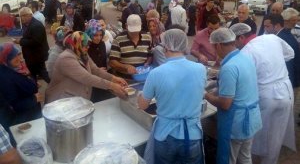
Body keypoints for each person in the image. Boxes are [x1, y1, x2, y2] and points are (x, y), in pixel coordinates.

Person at [230, 23, 296, 164]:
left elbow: (243, 81)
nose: (234, 46)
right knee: (276, 135)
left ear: (241, 38)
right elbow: (291, 53)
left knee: (257, 135)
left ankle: (254, 160)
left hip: (266, 95)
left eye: (234, 42)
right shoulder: (271, 37)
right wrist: (274, 64)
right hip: (286, 89)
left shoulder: (245, 52)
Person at [138, 29, 206, 164]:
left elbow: (143, 105)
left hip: (165, 135)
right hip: (192, 134)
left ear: (167, 47)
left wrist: (140, 95)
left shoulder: (156, 73)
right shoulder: (200, 69)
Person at [205, 27, 262, 164]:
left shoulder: (229, 67)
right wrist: (216, 86)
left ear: (218, 45)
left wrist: (206, 95)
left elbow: (225, 103)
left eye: (213, 47)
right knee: (245, 156)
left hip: (235, 123)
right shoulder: (244, 57)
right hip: (251, 119)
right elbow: (240, 85)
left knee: (227, 159)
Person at [45, 31, 128, 103]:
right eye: (85, 45)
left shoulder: (82, 54)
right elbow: (87, 78)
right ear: (76, 44)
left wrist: (114, 78)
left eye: (88, 44)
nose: (88, 47)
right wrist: (112, 86)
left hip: (76, 100)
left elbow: (95, 70)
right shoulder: (66, 58)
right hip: (62, 101)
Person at [0, 43, 43, 125]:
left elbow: (24, 80)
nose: (20, 59)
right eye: (14, 56)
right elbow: (13, 105)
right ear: (6, 59)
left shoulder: (16, 68)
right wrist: (34, 99)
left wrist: (33, 83)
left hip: (32, 112)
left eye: (19, 54)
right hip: (25, 120)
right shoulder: (5, 78)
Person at [13, 7, 50, 84]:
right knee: (33, 74)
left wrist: (20, 41)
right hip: (31, 56)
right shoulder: (27, 24)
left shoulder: (36, 25)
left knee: (42, 73)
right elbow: (29, 37)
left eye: (23, 16)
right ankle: (34, 89)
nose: (21, 18)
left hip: (37, 55)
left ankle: (53, 85)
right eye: (20, 16)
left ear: (29, 15)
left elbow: (36, 41)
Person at [264, 14, 300, 88]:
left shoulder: (281, 40)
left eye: (267, 26)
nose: (265, 29)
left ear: (276, 26)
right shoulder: (283, 35)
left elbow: (288, 65)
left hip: (288, 84)